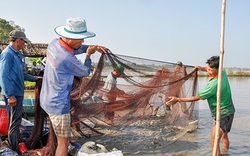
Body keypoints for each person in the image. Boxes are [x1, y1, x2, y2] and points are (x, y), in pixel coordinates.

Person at [40, 17, 108, 156]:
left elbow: (74, 48)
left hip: (46, 100)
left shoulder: (53, 44)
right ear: (69, 38)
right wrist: (88, 55)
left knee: (63, 137)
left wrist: (90, 47)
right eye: (80, 38)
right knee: (63, 144)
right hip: (58, 105)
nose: (83, 41)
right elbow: (84, 71)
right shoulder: (66, 58)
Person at [166, 56, 235, 156]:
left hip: (222, 114)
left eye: (210, 70)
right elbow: (208, 69)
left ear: (216, 69)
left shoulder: (213, 85)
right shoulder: (222, 72)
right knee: (224, 136)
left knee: (214, 142)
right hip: (230, 111)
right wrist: (200, 68)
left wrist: (178, 99)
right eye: (207, 69)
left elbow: (197, 97)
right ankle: (226, 153)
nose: (208, 71)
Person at [0, 30, 41, 153]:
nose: (24, 44)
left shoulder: (17, 55)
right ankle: (13, 149)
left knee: (16, 122)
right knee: (14, 123)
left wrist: (35, 78)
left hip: (19, 93)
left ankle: (15, 143)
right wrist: (9, 95)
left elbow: (21, 74)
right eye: (23, 42)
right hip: (13, 95)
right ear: (18, 40)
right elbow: (2, 76)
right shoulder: (7, 54)